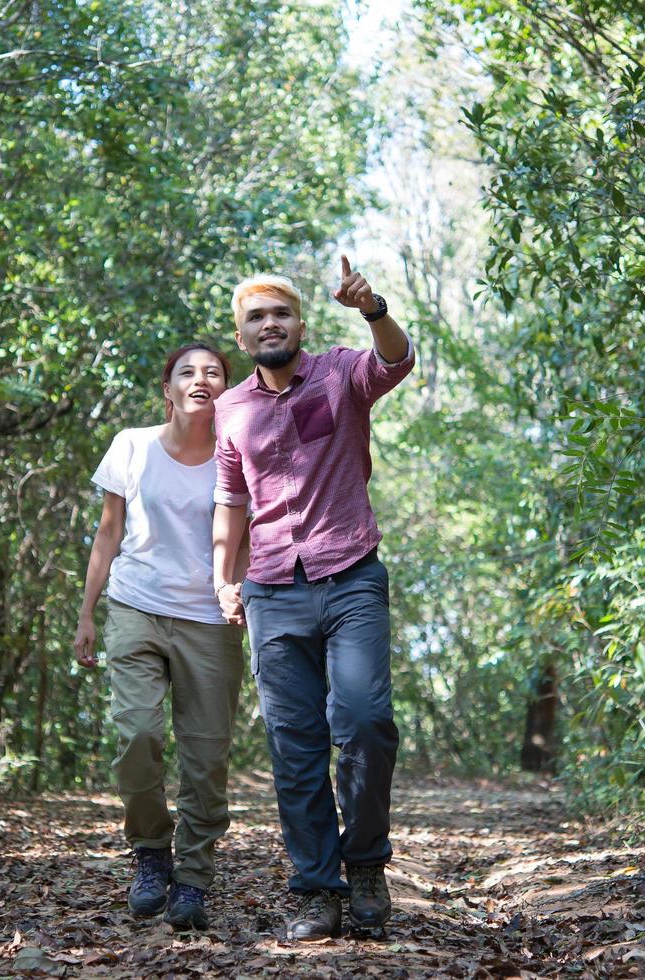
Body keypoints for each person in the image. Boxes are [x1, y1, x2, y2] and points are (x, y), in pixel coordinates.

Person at [210, 257, 413, 940]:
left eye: (280, 314)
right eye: (255, 319)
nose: (270, 325)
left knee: (362, 722)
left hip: (350, 573)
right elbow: (232, 499)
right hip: (271, 590)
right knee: (293, 745)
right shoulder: (230, 408)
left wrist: (374, 308)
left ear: (300, 323)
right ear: (242, 339)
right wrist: (223, 576)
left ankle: (364, 865)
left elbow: (397, 360)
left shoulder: (340, 371)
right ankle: (315, 891)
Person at [74, 342, 247, 931]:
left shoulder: (240, 453)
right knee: (139, 734)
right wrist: (87, 613)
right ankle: (151, 853)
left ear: (228, 389)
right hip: (135, 606)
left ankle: (193, 879)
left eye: (214, 372)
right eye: (187, 373)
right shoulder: (132, 444)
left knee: (205, 759)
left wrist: (242, 592)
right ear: (167, 389)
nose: (201, 380)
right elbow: (107, 533)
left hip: (209, 619)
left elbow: (248, 536)